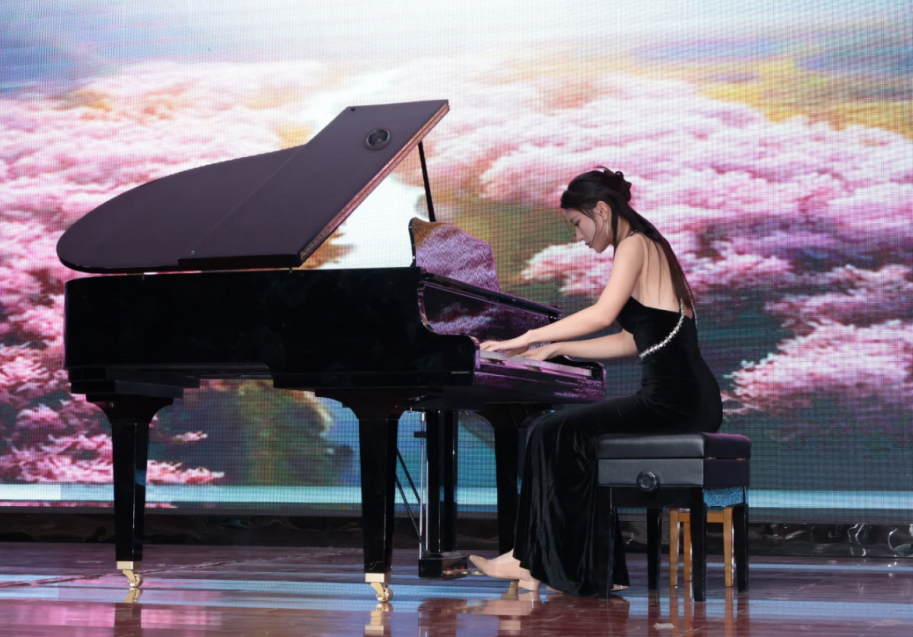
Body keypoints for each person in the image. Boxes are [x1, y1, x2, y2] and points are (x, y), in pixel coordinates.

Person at [469, 168, 722, 596]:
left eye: (577, 224)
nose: (579, 237)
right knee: (564, 435)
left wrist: (528, 337)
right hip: (688, 397)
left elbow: (603, 315)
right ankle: (582, 567)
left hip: (674, 399)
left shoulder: (635, 244)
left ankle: (533, 560)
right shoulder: (651, 245)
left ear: (601, 211)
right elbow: (630, 340)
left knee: (552, 432)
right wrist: (555, 349)